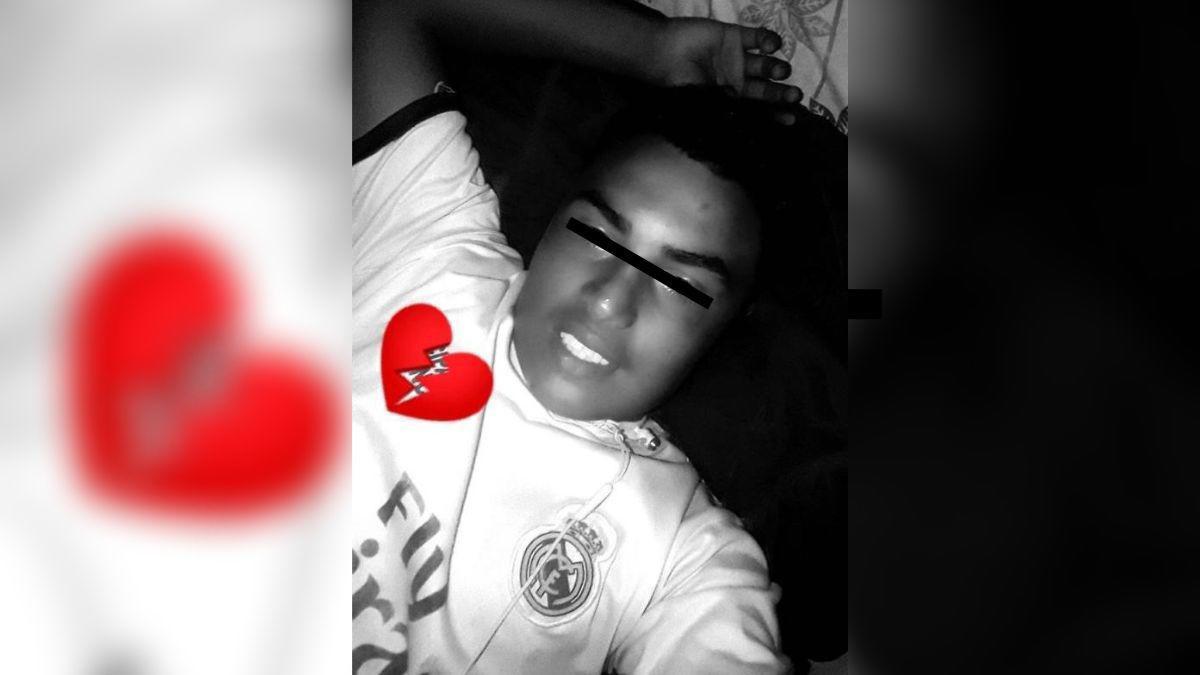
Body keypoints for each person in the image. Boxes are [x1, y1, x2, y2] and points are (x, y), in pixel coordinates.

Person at [352, 1, 805, 672]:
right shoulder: (433, 246)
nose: (610, 299)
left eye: (680, 285)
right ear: (549, 223)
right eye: (596, 234)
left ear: (721, 336)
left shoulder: (681, 555)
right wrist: (652, 47)